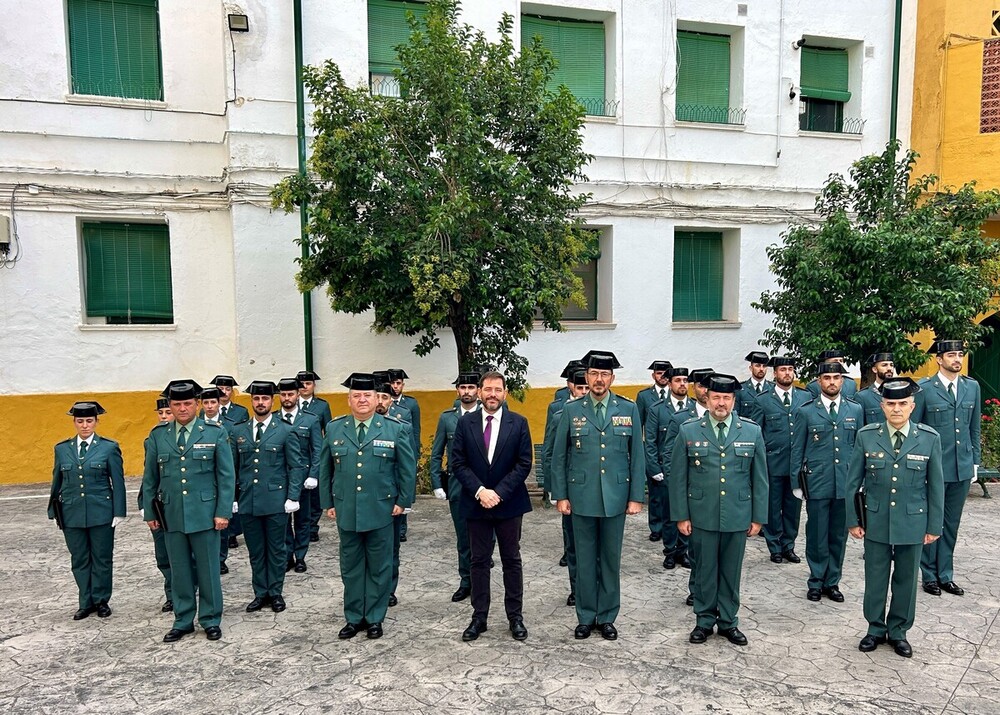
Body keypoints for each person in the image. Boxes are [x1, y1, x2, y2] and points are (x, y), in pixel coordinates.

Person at [550, 351, 644, 641]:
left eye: (605, 374)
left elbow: (636, 457)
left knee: (610, 559)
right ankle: (585, 616)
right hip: (581, 496)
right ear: (586, 377)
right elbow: (559, 456)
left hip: (616, 496)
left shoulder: (628, 409)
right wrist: (560, 495)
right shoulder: (571, 410)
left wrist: (635, 497)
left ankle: (607, 617)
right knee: (585, 558)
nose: (599, 379)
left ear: (612, 378)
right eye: (594, 374)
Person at [847, 378, 943, 658]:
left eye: (903, 404)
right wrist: (853, 520)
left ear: (912, 406)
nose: (897, 409)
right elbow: (852, 483)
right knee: (875, 576)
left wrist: (933, 525)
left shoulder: (928, 438)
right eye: (891, 404)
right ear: (882, 406)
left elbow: (935, 486)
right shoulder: (867, 435)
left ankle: (898, 630)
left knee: (906, 578)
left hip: (913, 520)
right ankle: (875, 628)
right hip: (875, 519)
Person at [670, 374, 768, 647]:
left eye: (726, 398)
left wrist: (758, 517)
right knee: (704, 570)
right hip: (702, 513)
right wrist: (681, 515)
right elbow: (678, 477)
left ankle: (728, 622)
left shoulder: (751, 431)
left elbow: (760, 478)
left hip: (738, 514)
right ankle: (703, 621)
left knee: (731, 571)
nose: (721, 403)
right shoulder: (689, 430)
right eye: (716, 397)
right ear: (707, 399)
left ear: (734, 401)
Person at [319, 373, 416, 640]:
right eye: (356, 396)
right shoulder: (336, 428)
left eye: (367, 395)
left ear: (377, 399)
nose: (362, 400)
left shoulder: (395, 428)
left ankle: (374, 617)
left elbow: (406, 469)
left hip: (382, 509)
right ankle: (353, 617)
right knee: (350, 566)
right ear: (349, 400)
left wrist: (403, 502)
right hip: (346, 508)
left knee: (379, 565)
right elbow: (325, 469)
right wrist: (327, 502)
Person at [142, 380, 236, 643]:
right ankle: (183, 620)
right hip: (171, 514)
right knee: (179, 570)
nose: (182, 408)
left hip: (206, 514)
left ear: (196, 404)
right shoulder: (158, 436)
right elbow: (150, 478)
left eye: (187, 403)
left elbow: (226, 476)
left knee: (208, 569)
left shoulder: (214, 433)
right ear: (170, 406)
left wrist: (223, 512)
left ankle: (210, 619)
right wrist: (150, 512)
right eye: (176, 404)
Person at [450, 371, 533, 642]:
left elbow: (524, 463)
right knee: (479, 561)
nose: (492, 394)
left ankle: (515, 616)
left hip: (509, 503)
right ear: (479, 393)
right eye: (487, 389)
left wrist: (498, 493)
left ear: (505, 393)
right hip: (476, 503)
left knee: (511, 560)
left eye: (497, 389)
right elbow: (458, 463)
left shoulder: (518, 423)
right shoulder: (465, 424)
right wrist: (480, 491)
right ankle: (479, 616)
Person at [789, 361, 863, 602]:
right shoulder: (806, 411)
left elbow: (860, 449)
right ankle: (816, 580)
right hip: (817, 482)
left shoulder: (855, 410)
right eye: (827, 378)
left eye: (836, 378)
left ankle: (833, 582)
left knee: (838, 535)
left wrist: (861, 481)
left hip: (845, 483)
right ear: (819, 381)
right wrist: (796, 483)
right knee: (817, 533)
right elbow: (797, 449)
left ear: (843, 381)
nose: (832, 382)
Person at [230, 381, 305, 613]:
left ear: (272, 402)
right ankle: (260, 593)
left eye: (264, 399)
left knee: (276, 550)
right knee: (255, 550)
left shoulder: (285, 430)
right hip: (248, 502)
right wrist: (232, 498)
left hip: (275, 501)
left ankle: (275, 592)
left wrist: (293, 496)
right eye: (256, 399)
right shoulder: (238, 431)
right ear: (251, 402)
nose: (260, 403)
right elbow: (232, 468)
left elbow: (296, 466)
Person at [913, 340, 980, 597]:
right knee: (932, 521)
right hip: (934, 468)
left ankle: (945, 574)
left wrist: (974, 461)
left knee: (951, 523)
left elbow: (974, 427)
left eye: (960, 354)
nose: (957, 359)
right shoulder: (925, 389)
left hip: (961, 467)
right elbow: (917, 430)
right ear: (939, 359)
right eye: (951, 354)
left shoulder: (971, 387)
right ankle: (929, 575)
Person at [48, 401, 125, 620]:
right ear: (74, 422)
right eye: (80, 421)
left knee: (101, 558)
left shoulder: (108, 447)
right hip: (71, 512)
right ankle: (85, 601)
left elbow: (117, 481)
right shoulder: (62, 449)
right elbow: (57, 480)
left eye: (89, 421)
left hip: (101, 511)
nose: (84, 426)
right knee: (79, 558)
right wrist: (54, 509)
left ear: (96, 422)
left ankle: (101, 600)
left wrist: (118, 511)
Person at [746, 356, 809, 565]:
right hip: (772, 464)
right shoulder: (763, 400)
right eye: (783, 369)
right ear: (775, 373)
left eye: (791, 369)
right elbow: (757, 433)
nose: (787, 373)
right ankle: (774, 546)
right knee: (772, 508)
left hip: (796, 465)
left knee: (793, 508)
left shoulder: (804, 398)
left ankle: (788, 546)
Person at [429, 372, 482, 602]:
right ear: (457, 391)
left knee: (484, 538)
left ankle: (481, 581)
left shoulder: (489, 415)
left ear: (478, 391)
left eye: (471, 387)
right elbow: (437, 452)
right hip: (458, 486)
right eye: (463, 387)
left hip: (484, 485)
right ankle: (466, 582)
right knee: (463, 537)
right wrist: (436, 483)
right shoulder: (447, 418)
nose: (467, 391)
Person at [541, 369, 589, 605]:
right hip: (570, 490)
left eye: (587, 388)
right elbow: (550, 452)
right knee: (573, 543)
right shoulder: (561, 415)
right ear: (571, 387)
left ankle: (595, 589)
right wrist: (553, 489)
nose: (583, 393)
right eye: (580, 388)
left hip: (594, 490)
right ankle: (576, 589)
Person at [373, 377, 414, 607]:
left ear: (391, 401)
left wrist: (404, 498)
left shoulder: (401, 428)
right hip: (369, 497)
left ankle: (389, 588)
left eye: (385, 397)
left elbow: (405, 465)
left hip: (391, 497)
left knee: (391, 547)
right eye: (377, 396)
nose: (380, 401)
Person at [643, 367, 690, 558]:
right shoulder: (657, 409)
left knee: (686, 512)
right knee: (670, 514)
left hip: (688, 471)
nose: (682, 384)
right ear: (669, 384)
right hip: (665, 470)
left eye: (685, 380)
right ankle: (670, 551)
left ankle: (684, 551)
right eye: (678, 380)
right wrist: (654, 468)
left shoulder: (694, 409)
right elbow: (651, 441)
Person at [277, 378, 322, 574]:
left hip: (304, 478)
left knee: (303, 519)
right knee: (284, 520)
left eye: (290, 394)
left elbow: (317, 450)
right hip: (280, 478)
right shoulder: (274, 419)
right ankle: (287, 556)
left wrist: (313, 474)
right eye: (283, 394)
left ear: (297, 395)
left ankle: (301, 556)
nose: (287, 398)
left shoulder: (310, 419)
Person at [141, 397, 175, 613]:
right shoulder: (152, 439)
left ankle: (189, 590)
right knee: (163, 555)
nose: (163, 417)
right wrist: (146, 506)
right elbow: (149, 476)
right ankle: (171, 594)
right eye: (160, 414)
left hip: (179, 503)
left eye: (167, 413)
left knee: (185, 555)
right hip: (160, 504)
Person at [202, 386, 239, 574]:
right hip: (204, 481)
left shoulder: (229, 426)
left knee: (222, 525)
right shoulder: (196, 424)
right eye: (206, 403)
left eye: (213, 402)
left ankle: (221, 558)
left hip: (222, 480)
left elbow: (233, 458)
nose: (209, 406)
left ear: (219, 403)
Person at [298, 369, 332, 543]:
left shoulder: (322, 406)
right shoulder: (291, 404)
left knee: (315, 495)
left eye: (308, 383)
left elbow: (328, 430)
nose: (305, 387)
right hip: (297, 455)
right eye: (302, 384)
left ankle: (312, 526)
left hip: (315, 454)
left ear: (314, 385)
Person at [388, 368, 421, 542]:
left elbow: (415, 431)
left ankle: (402, 528)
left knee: (404, 488)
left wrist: (415, 454)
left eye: (398, 383)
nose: (395, 386)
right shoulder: (383, 403)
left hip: (405, 452)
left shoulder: (411, 404)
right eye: (392, 383)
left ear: (403, 384)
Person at [855, 352, 895, 425]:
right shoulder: (863, 396)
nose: (889, 368)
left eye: (891, 365)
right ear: (875, 369)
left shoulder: (900, 393)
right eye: (884, 365)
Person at [736, 350, 772, 417]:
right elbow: (735, 416)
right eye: (757, 366)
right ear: (751, 368)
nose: (761, 369)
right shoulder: (740, 389)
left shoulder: (773, 388)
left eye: (764, 366)